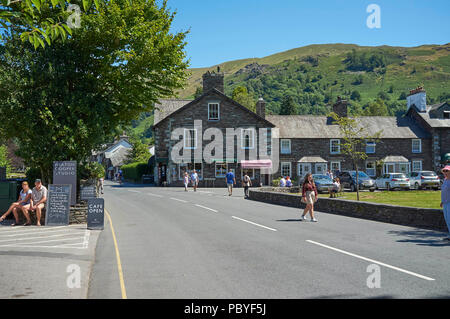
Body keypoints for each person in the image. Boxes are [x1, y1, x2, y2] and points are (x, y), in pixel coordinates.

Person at [440, 165, 450, 241]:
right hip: (445, 202)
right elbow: (444, 192)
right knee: (447, 220)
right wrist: (442, 201)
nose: (445, 172)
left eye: (447, 171)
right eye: (444, 171)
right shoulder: (445, 180)